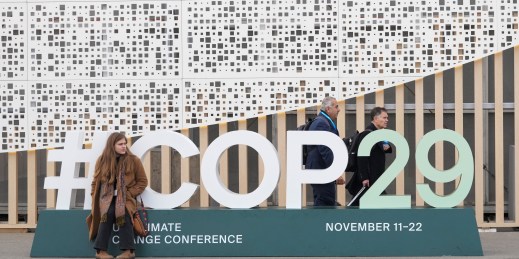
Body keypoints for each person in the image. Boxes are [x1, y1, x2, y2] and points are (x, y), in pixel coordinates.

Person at [88, 132, 148, 259]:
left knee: (124, 213)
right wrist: (95, 195)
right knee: (107, 214)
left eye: (125, 144)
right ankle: (100, 252)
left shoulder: (133, 160)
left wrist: (129, 193)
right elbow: (95, 182)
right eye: (120, 144)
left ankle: (129, 251)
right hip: (106, 199)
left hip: (125, 199)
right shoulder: (102, 160)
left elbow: (143, 182)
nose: (124, 146)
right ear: (112, 145)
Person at [347, 107, 392, 206]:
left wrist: (387, 146)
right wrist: (364, 177)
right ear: (376, 119)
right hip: (369, 179)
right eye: (384, 118)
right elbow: (361, 158)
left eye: (387, 118)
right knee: (357, 205)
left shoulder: (379, 133)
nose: (387, 120)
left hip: (375, 178)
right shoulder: (367, 134)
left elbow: (387, 149)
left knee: (361, 204)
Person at [305, 96, 345, 206]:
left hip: (321, 169)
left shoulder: (323, 121)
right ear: (328, 109)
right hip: (321, 170)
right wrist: (335, 171)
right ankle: (320, 223)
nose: (339, 109)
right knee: (325, 203)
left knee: (324, 201)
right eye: (336, 107)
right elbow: (325, 149)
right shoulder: (321, 123)